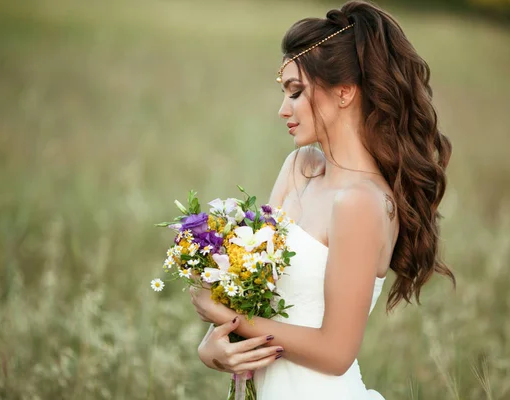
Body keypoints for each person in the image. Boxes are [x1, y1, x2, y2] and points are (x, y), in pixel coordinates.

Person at [189, 1, 455, 398]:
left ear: (345, 92)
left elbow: (336, 352)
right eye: (284, 93)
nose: (283, 109)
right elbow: (260, 292)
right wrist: (215, 345)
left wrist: (230, 318)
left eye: (296, 92)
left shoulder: (361, 202)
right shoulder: (298, 168)